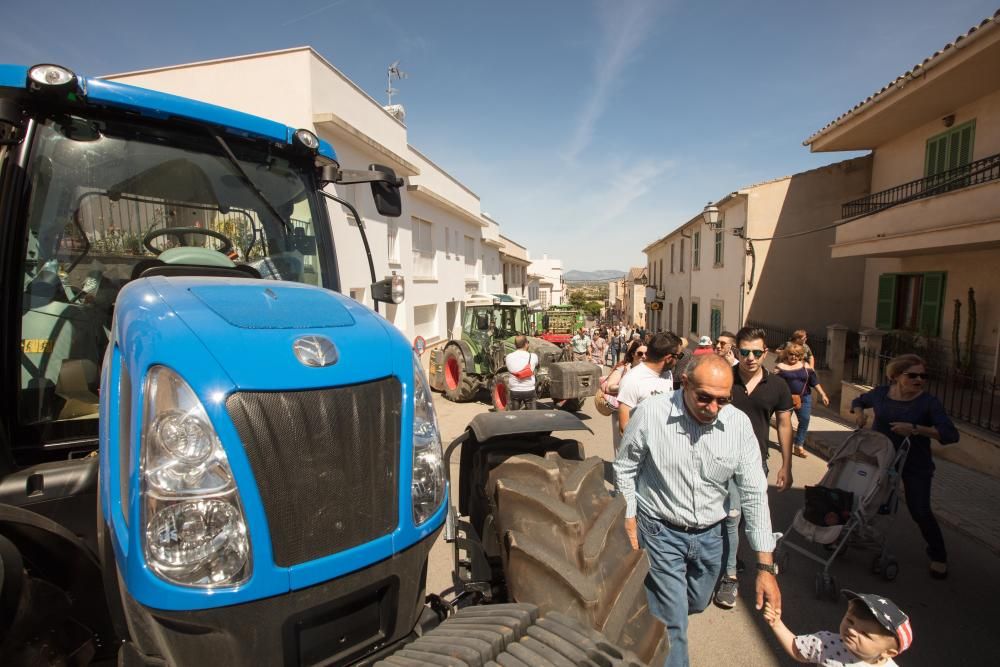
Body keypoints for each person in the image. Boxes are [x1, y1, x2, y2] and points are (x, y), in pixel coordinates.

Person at [614, 354, 781, 667]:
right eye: (704, 398)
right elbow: (625, 468)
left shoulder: (738, 425)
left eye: (723, 400)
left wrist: (765, 567)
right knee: (673, 622)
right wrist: (629, 517)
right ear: (685, 383)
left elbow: (755, 493)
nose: (713, 408)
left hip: (711, 537)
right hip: (660, 531)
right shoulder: (651, 413)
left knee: (698, 601)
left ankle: (663, 610)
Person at [851, 354, 959, 579]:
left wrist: (916, 429)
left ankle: (938, 555)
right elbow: (859, 401)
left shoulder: (928, 403)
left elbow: (950, 434)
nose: (919, 379)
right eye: (913, 375)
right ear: (897, 376)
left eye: (923, 375)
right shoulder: (881, 393)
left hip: (914, 464)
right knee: (866, 498)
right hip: (881, 459)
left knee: (919, 510)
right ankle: (850, 534)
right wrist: (860, 414)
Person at [715, 327, 794, 610]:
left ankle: (745, 558)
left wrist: (787, 463)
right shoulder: (725, 378)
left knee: (751, 517)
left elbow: (784, 424)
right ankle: (730, 577)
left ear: (766, 353)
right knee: (731, 517)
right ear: (736, 352)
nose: (750, 358)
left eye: (757, 352)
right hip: (722, 460)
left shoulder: (778, 386)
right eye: (744, 352)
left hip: (755, 460)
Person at [764, 590, 911, 666]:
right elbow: (798, 650)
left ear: (888, 652)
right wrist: (777, 624)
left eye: (865, 634)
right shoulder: (826, 643)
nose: (852, 631)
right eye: (850, 621)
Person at [615, 332, 684, 436]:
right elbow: (624, 428)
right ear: (669, 358)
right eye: (679, 356)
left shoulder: (667, 373)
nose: (679, 360)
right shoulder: (631, 380)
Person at [775, 343, 830, 459]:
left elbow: (814, 382)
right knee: (784, 423)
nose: (793, 357)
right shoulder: (780, 367)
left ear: (800, 356)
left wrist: (823, 394)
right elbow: (775, 385)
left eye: (796, 355)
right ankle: (785, 444)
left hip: (804, 398)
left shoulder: (806, 367)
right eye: (791, 354)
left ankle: (799, 445)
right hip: (785, 398)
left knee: (805, 420)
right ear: (786, 354)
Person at [604, 340, 644, 452]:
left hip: (640, 413)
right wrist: (626, 385)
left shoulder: (649, 371)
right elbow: (609, 387)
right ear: (633, 354)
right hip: (622, 411)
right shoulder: (624, 368)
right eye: (640, 353)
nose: (644, 356)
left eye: (647, 354)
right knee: (622, 446)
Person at [504, 335, 538, 410]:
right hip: (529, 390)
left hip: (514, 391)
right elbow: (536, 365)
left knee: (515, 417)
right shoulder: (533, 356)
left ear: (515, 345)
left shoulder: (508, 357)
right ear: (526, 344)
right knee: (532, 417)